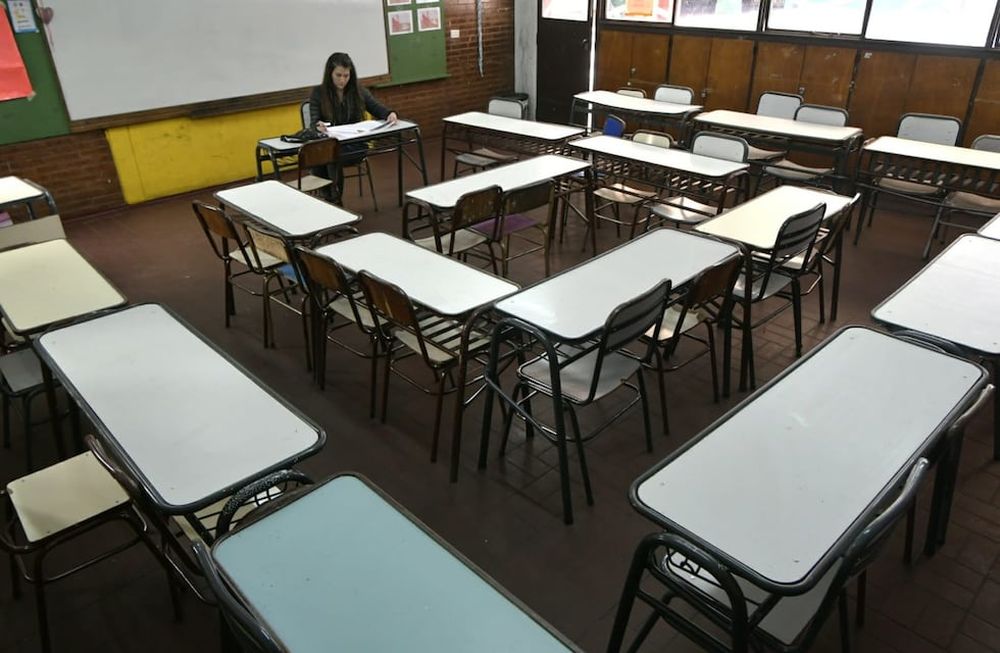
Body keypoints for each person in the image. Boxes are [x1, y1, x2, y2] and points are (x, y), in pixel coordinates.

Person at [308, 52, 398, 203]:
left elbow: (376, 108)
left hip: (355, 145)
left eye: (346, 75)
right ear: (330, 73)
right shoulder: (318, 93)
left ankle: (334, 200)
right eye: (338, 75)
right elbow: (313, 123)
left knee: (329, 157)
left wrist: (390, 113)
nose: (343, 80)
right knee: (325, 155)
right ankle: (329, 197)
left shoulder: (358, 90)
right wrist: (319, 126)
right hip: (330, 144)